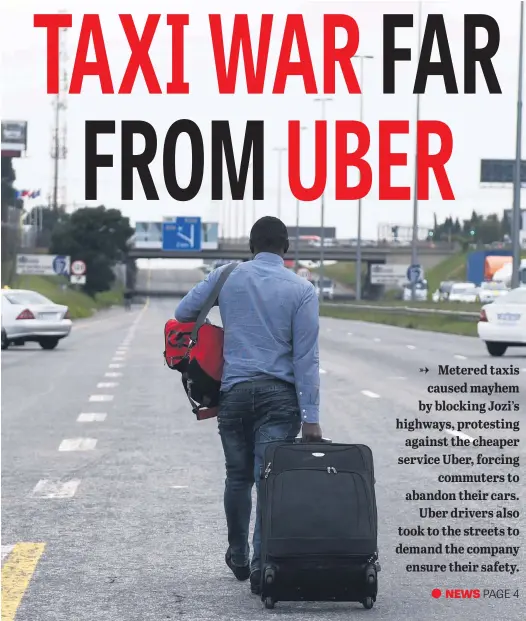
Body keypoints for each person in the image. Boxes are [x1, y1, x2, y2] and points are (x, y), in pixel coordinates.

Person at [174, 216, 322, 594]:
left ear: (252, 246)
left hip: (235, 393)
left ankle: (238, 553)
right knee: (268, 481)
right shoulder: (302, 289)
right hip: (280, 398)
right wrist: (312, 419)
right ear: (285, 248)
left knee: (237, 477)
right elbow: (306, 359)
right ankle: (262, 565)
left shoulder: (228, 275)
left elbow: (183, 314)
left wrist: (222, 329)